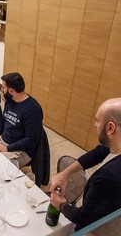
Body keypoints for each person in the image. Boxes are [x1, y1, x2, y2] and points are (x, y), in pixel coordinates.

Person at [50, 98, 121, 231]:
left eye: (98, 121)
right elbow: (97, 153)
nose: (95, 124)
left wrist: (61, 205)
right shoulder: (116, 145)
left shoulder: (109, 176)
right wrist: (64, 174)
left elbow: (84, 218)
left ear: (110, 128)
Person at [0, 72, 43, 168]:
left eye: (3, 87)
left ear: (11, 91)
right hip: (4, 141)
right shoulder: (10, 100)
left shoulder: (33, 110)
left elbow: (30, 140)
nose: (1, 89)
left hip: (21, 150)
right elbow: (3, 120)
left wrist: (7, 148)